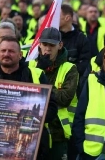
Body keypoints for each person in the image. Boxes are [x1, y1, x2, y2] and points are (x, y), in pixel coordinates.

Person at [0, 35, 57, 159]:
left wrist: (32, 120)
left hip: (32, 148)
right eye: (3, 50)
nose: (6, 54)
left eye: (11, 51)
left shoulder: (36, 75)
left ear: (20, 55)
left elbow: (52, 108)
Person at [29, 27, 79, 160]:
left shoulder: (70, 68)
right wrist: (40, 70)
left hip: (59, 133)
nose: (48, 49)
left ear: (60, 45)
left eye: (52, 45)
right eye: (45, 44)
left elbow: (64, 98)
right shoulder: (31, 66)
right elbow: (26, 94)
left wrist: (40, 81)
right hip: (33, 130)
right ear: (39, 44)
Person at [59, 4, 90, 77]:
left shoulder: (81, 38)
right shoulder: (53, 37)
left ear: (67, 18)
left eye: (57, 16)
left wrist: (67, 73)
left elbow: (84, 62)